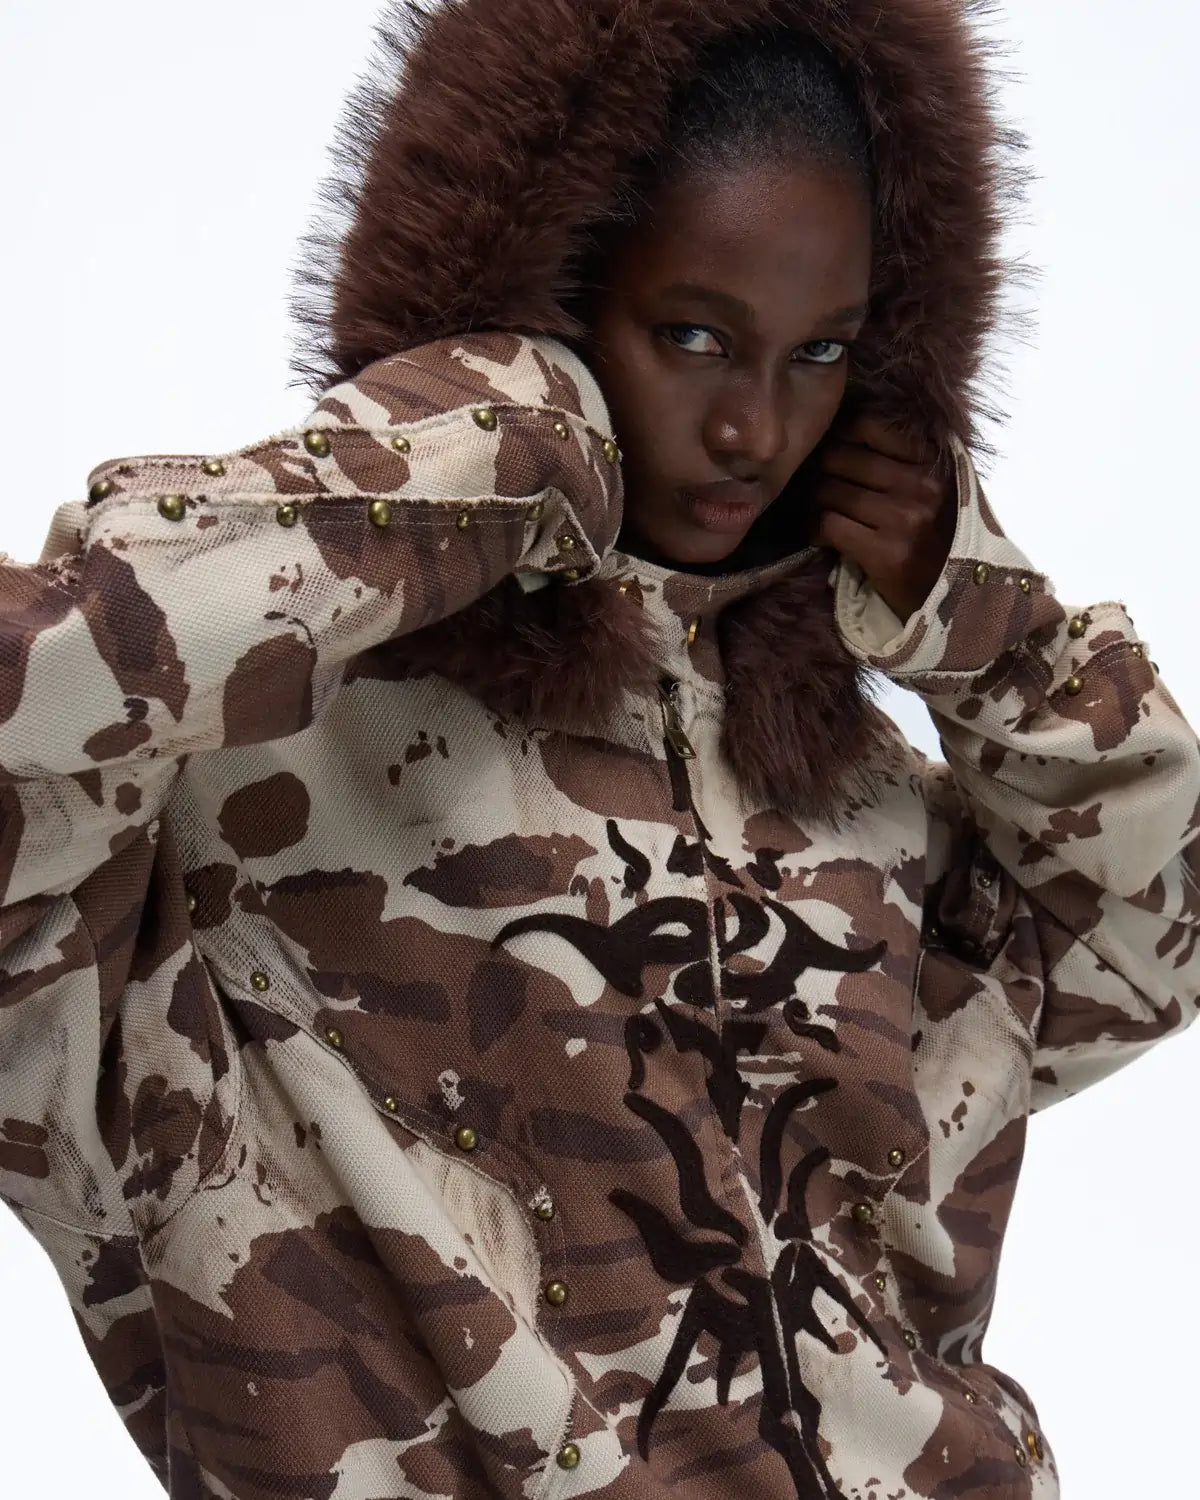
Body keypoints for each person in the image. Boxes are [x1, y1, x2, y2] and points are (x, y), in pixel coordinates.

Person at [2, 1, 1196, 1496]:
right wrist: (472, 457)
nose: (756, 428)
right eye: (692, 334)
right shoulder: (237, 791)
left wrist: (992, 633)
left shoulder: (871, 812)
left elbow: (1156, 926)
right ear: (546, 299)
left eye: (822, 353)